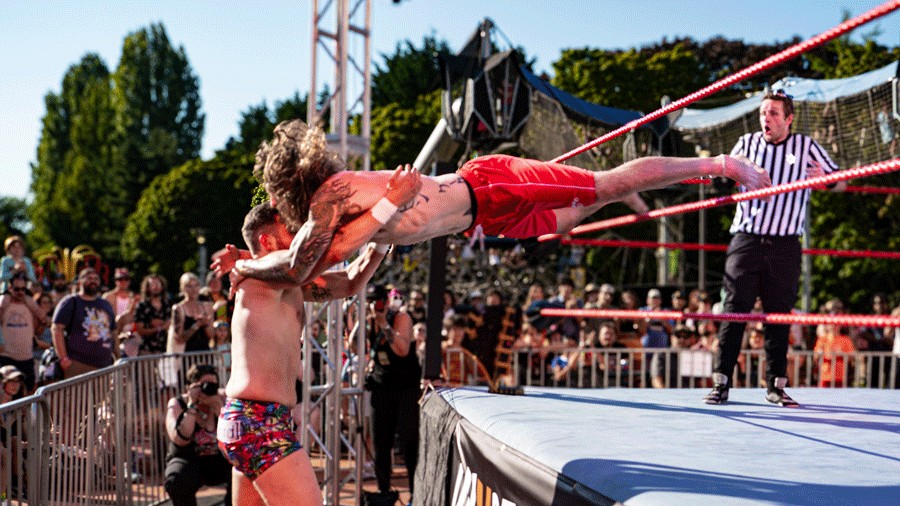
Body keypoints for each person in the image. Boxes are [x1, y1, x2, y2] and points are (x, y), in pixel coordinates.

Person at [234, 119, 771, 286]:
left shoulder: (334, 195)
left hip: (489, 185)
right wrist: (379, 227)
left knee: (603, 184)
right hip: (486, 215)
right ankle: (630, 185)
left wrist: (251, 269)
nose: (294, 230)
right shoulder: (353, 222)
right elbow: (334, 279)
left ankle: (720, 164)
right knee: (569, 222)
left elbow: (305, 264)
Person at [214, 200, 402, 506]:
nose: (300, 235)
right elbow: (321, 256)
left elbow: (352, 281)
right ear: (267, 240)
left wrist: (381, 243)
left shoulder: (290, 283)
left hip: (254, 422)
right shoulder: (258, 278)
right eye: (290, 229)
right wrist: (385, 207)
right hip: (258, 422)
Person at [705, 90, 846, 408]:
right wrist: (728, 176)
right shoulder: (747, 144)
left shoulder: (806, 146)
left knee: (779, 315)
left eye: (773, 114)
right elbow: (722, 179)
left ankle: (776, 386)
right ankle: (722, 382)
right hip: (747, 238)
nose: (765, 119)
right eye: (762, 113)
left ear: (788, 118)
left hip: (785, 243)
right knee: (734, 309)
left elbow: (843, 182)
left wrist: (825, 180)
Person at [363, 284, 420, 499]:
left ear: (386, 302)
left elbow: (402, 350)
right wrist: (363, 320)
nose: (375, 307)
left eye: (378, 302)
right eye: (371, 302)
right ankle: (383, 491)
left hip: (406, 389)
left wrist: (384, 325)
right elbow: (352, 346)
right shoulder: (368, 320)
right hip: (382, 387)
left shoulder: (401, 318)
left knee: (409, 442)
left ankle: (416, 492)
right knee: (381, 441)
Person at [164, 363, 231, 506]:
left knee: (246, 468)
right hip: (190, 459)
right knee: (176, 479)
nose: (208, 389)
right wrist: (192, 405)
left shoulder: (224, 398)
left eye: (213, 385)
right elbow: (180, 439)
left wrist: (218, 407)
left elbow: (235, 433)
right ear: (190, 387)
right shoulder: (178, 404)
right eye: (203, 385)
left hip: (221, 459)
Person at [51, 267, 117, 378]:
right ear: (80, 282)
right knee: (76, 396)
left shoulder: (105, 304)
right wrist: (63, 358)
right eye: (89, 278)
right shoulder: (70, 302)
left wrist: (118, 358)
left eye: (96, 278)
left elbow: (113, 332)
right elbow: (57, 328)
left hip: (104, 365)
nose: (93, 281)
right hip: (78, 364)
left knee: (101, 396)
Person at [0, 273, 47, 392]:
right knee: (6, 396)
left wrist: (34, 307)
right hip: (7, 358)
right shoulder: (4, 302)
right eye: (16, 289)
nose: (20, 292)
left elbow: (42, 324)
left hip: (27, 358)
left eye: (23, 289)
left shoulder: (30, 304)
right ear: (9, 288)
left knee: (28, 394)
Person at [168, 273, 214, 354]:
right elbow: (179, 339)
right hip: (185, 355)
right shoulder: (178, 308)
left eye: (196, 285)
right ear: (182, 288)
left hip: (205, 353)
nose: (194, 289)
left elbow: (211, 335)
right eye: (189, 286)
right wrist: (197, 325)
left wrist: (205, 324)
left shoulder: (207, 306)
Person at [133, 274, 172, 355]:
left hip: (166, 349)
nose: (156, 287)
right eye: (153, 284)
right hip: (147, 350)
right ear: (147, 287)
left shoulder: (169, 304)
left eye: (158, 284)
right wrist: (160, 328)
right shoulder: (142, 306)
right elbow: (140, 330)